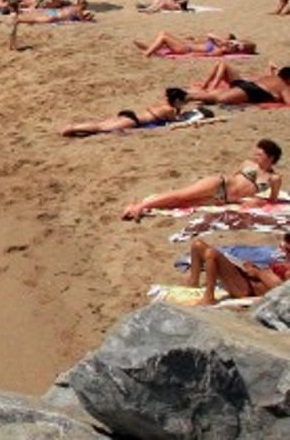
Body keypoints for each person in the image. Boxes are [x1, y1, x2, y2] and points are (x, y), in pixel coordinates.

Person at [122, 140, 282, 220]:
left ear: (271, 157)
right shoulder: (248, 164)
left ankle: (139, 205)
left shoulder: (274, 178)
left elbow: (272, 200)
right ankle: (140, 206)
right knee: (181, 195)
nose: (256, 156)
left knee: (181, 203)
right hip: (219, 184)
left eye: (260, 155)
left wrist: (257, 202)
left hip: (223, 199)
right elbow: (233, 177)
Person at [187, 233, 290, 305]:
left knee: (211, 254)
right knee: (198, 245)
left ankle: (209, 297)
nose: (283, 247)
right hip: (248, 278)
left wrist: (258, 273)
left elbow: (281, 289)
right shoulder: (285, 259)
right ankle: (193, 283)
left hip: (246, 289)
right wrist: (253, 268)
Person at [58, 87, 194, 137]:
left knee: (101, 123)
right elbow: (175, 121)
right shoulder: (169, 109)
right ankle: (72, 128)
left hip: (131, 114)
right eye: (182, 102)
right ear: (177, 100)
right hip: (133, 121)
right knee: (101, 128)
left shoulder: (162, 103)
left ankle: (74, 127)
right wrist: (180, 112)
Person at [188, 62, 290, 105]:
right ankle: (188, 96)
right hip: (252, 91)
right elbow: (288, 101)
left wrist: (271, 70)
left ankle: (199, 90)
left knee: (223, 65)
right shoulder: (283, 85)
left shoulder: (270, 77)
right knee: (218, 98)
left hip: (246, 85)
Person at [134, 32, 254, 58]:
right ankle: (150, 49)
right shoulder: (220, 44)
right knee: (164, 36)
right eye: (234, 43)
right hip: (186, 45)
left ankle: (147, 53)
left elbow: (204, 55)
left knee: (164, 36)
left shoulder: (219, 51)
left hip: (185, 49)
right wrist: (222, 40)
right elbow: (209, 34)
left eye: (235, 47)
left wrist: (188, 56)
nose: (232, 45)